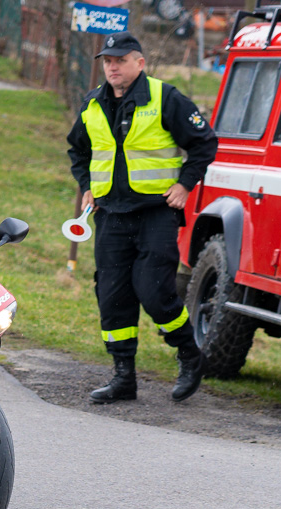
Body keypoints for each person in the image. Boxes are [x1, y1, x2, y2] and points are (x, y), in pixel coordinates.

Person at [66, 31, 218, 404]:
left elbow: (204, 143)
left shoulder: (166, 98)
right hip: (110, 217)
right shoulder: (92, 103)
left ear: (140, 63)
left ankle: (190, 356)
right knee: (112, 297)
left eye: (120, 60)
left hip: (155, 215)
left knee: (154, 292)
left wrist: (185, 184)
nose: (112, 66)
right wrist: (87, 185)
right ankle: (123, 378)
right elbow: (78, 150)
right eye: (107, 61)